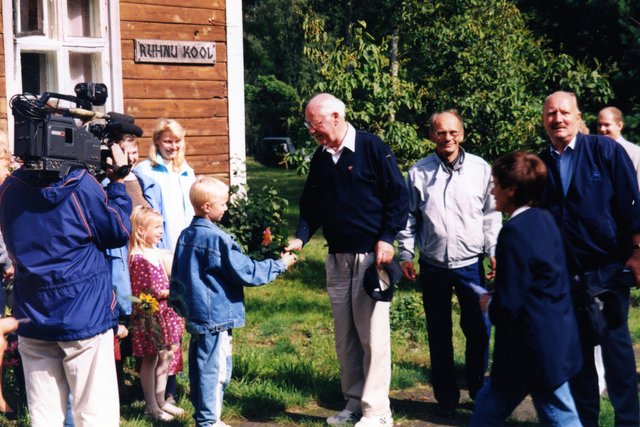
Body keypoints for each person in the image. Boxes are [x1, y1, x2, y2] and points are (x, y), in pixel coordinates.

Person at [285, 93, 408, 427]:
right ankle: (353, 403)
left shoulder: (371, 147)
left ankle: (378, 411)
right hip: (337, 258)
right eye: (309, 126)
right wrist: (301, 236)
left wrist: (387, 238)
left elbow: (399, 197)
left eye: (316, 124)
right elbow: (310, 205)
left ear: (336, 117)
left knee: (373, 336)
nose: (312, 132)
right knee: (345, 337)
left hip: (371, 258)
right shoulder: (321, 157)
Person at [0, 144, 132, 426]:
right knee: (95, 414)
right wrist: (118, 183)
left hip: (32, 313)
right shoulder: (80, 184)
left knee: (44, 415)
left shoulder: (10, 188)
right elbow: (117, 230)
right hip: (83, 314)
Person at [538, 91, 640, 427]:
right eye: (551, 114)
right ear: (544, 120)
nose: (558, 119)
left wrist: (637, 254)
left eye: (565, 112)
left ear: (578, 116)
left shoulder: (605, 150)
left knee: (617, 353)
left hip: (608, 269)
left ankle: (628, 420)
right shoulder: (541, 163)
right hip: (565, 274)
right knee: (578, 355)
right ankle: (586, 422)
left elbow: (632, 205)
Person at [396, 110, 501, 417]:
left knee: (479, 330)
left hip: (471, 265)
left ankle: (479, 393)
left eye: (453, 132)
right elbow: (408, 218)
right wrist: (405, 254)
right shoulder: (418, 172)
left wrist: (493, 249)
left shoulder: (481, 169)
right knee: (438, 332)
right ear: (432, 136)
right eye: (441, 133)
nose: (447, 138)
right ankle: (446, 398)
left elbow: (491, 215)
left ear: (462, 134)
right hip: (433, 265)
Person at [170, 175, 297, 427]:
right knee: (215, 370)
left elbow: (177, 274)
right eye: (223, 204)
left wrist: (179, 304)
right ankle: (209, 421)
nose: (226, 207)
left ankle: (204, 417)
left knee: (200, 366)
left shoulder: (186, 235)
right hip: (216, 316)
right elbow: (247, 271)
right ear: (207, 207)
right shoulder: (218, 239)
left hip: (196, 313)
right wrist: (280, 264)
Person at [469, 150, 582, 426]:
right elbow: (538, 282)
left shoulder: (514, 231)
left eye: (495, 184)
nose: (492, 191)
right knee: (489, 406)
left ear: (511, 190)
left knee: (561, 417)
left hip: (531, 350)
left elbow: (510, 303)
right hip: (549, 340)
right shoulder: (544, 220)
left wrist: (490, 304)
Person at [135, 118, 195, 400]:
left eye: (177, 141)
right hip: (159, 250)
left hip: (184, 251)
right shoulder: (146, 170)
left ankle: (168, 385)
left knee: (177, 320)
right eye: (167, 141)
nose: (173, 146)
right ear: (157, 141)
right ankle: (158, 391)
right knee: (159, 319)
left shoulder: (185, 171)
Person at [104, 134, 165, 402]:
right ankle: (118, 391)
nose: (131, 157)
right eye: (124, 152)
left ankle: (152, 392)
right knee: (120, 325)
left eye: (134, 151)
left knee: (148, 327)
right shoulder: (106, 185)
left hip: (146, 265)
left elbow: (160, 225)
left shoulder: (148, 184)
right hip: (120, 264)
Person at [128, 206, 185, 421]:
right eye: (156, 227)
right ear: (141, 231)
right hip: (150, 315)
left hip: (164, 312)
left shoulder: (153, 252)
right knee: (151, 358)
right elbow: (143, 291)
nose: (161, 231)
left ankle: (161, 399)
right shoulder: (137, 257)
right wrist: (166, 292)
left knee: (167, 354)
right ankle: (150, 405)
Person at [597, 106, 640, 185]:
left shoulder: (634, 153)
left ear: (619, 126)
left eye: (607, 125)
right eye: (599, 125)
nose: (602, 129)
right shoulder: (593, 152)